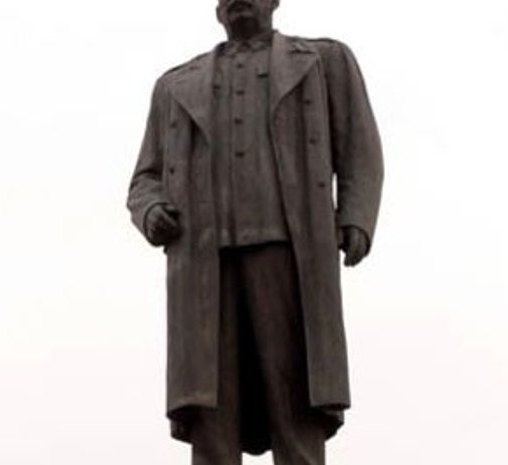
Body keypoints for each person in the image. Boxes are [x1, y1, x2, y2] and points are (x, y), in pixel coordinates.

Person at [126, 0, 383, 463]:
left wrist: (355, 216)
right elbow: (145, 178)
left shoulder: (324, 60)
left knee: (295, 394)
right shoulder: (175, 84)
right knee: (209, 408)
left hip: (289, 253)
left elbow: (359, 144)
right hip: (203, 265)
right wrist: (151, 210)